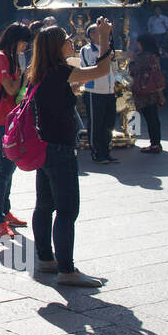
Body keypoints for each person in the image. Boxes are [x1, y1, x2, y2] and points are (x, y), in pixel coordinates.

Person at [26, 20, 118, 287]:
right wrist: (103, 37)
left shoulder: (40, 72)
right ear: (56, 46)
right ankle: (67, 270)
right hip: (60, 149)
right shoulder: (60, 71)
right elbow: (102, 70)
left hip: (44, 146)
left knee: (45, 205)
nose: (71, 41)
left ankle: (46, 258)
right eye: (66, 38)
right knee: (67, 211)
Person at [0, 23, 34, 237]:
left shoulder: (10, 57)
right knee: (4, 169)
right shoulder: (0, 58)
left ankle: (5, 211)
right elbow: (10, 88)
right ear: (16, 40)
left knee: (10, 167)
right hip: (3, 117)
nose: (25, 47)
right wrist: (26, 75)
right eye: (24, 43)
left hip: (12, 116)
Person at [80, 23, 118, 164]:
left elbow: (114, 68)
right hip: (94, 90)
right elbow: (88, 67)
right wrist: (104, 56)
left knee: (109, 123)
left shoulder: (108, 48)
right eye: (100, 32)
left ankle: (106, 151)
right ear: (91, 35)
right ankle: (97, 152)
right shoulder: (87, 50)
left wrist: (112, 59)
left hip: (109, 90)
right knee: (96, 123)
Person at [130, 35, 166, 154]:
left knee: (150, 118)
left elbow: (134, 70)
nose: (137, 45)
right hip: (154, 91)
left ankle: (154, 144)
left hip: (145, 91)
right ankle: (156, 143)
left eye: (138, 43)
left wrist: (131, 62)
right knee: (154, 118)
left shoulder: (143, 57)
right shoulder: (155, 55)